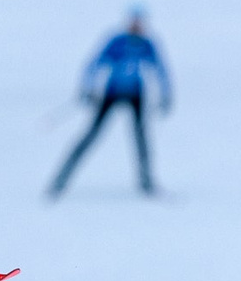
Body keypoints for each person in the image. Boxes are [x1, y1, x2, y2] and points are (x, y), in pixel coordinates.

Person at [48, 11, 169, 196]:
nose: (136, 26)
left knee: (141, 140)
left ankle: (146, 182)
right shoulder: (117, 41)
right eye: (133, 22)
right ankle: (60, 180)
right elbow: (94, 64)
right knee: (90, 136)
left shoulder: (146, 44)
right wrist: (87, 89)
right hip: (112, 93)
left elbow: (160, 70)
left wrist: (165, 95)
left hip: (136, 94)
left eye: (140, 23)